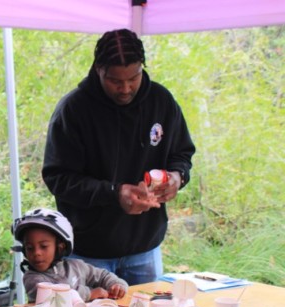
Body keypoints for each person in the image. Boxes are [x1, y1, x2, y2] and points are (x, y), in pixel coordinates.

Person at [42, 29, 196, 284]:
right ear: (99, 69)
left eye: (133, 78)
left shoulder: (161, 101)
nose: (125, 88)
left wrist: (178, 177)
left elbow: (182, 153)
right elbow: (58, 178)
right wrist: (114, 192)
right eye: (115, 80)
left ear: (142, 68)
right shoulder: (74, 110)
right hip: (89, 254)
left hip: (145, 248)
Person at [13, 208, 128, 303]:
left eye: (43, 246)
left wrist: (116, 285)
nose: (36, 253)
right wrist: (90, 294)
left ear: (60, 246)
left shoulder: (76, 266)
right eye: (29, 248)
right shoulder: (32, 278)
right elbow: (56, 296)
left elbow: (102, 275)